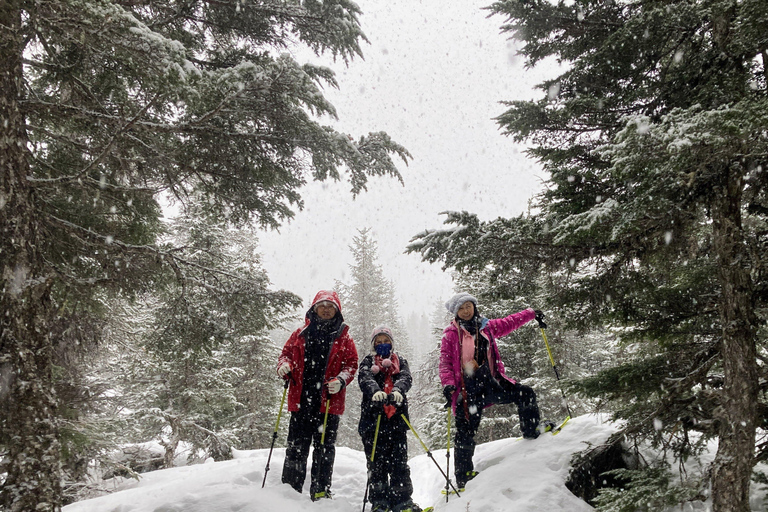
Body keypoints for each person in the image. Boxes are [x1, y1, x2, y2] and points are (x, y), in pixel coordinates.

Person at [440, 292, 551, 490]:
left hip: (491, 383)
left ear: (474, 306)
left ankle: (530, 431)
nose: (466, 311)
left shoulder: (486, 326)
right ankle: (464, 476)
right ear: (456, 312)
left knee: (525, 394)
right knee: (465, 432)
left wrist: (532, 313)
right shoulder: (451, 334)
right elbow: (445, 363)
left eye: (469, 306)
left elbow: (510, 322)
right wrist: (448, 385)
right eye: (461, 308)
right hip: (468, 390)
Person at [276, 290, 358, 501]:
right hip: (301, 400)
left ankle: (321, 491)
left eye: (331, 306)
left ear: (337, 310)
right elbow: (284, 354)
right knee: (296, 447)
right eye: (322, 305)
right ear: (314, 308)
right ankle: (289, 491)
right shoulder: (300, 333)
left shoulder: (344, 337)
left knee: (324, 449)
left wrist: (340, 381)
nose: (326, 309)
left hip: (328, 403)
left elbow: (351, 365)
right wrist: (284, 365)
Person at [358, 326, 424, 512]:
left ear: (392, 343)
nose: (382, 345)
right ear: (373, 345)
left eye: (385, 341)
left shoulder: (400, 361)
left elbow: (406, 377)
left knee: (399, 462)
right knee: (376, 463)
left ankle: (403, 501)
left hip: (396, 420)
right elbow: (364, 378)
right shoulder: (367, 361)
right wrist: (375, 392)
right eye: (378, 342)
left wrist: (397, 390)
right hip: (373, 421)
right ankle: (380, 502)